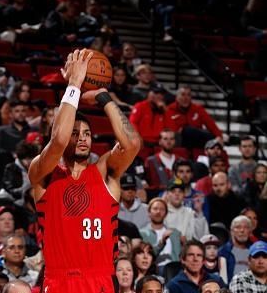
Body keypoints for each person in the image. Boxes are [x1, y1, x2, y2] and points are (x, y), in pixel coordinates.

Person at [28, 49, 141, 292]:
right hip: (59, 280)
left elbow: (132, 144)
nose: (82, 139)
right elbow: (58, 141)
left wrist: (104, 97)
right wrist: (74, 85)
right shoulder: (43, 172)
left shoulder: (103, 171)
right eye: (76, 133)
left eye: (87, 134)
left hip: (100, 279)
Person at [140, 198, 181, 272]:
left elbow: (179, 256)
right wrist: (162, 243)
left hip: (174, 270)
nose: (158, 212)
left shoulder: (174, 233)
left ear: (166, 214)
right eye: (155, 209)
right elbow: (147, 254)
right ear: (149, 212)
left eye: (162, 209)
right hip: (153, 270)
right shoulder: (142, 233)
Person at [218, 215, 253, 282]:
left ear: (250, 232)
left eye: (246, 227)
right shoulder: (223, 252)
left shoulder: (255, 252)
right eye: (238, 227)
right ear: (231, 231)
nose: (242, 230)